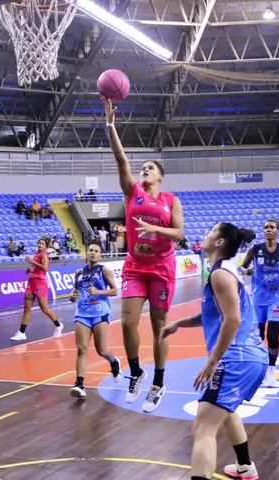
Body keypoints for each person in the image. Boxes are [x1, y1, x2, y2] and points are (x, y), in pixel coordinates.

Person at [160, 222, 265, 480]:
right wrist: (179, 324)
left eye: (210, 232)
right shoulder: (224, 270)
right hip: (250, 356)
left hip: (236, 357)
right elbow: (213, 314)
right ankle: (244, 466)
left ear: (219, 243)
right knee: (224, 410)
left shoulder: (220, 274)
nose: (204, 235)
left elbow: (233, 320)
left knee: (202, 429)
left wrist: (212, 361)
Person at [103, 97, 185, 413]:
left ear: (160, 176)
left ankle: (158, 383)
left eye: (150, 167)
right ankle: (136, 372)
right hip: (135, 266)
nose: (144, 169)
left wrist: (157, 232)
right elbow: (120, 159)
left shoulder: (170, 200)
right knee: (126, 324)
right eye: (143, 168)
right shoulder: (133, 192)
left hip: (162, 267)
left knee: (159, 325)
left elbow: (179, 234)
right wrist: (111, 125)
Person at [239, 219, 279, 386]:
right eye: (265, 228)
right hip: (258, 298)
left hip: (278, 296)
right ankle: (258, 366)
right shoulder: (255, 250)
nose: (268, 230)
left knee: (273, 333)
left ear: (278, 230)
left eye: (272, 227)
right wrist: (247, 270)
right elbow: (242, 267)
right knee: (258, 335)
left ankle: (271, 368)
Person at [69, 242, 123, 398]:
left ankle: (114, 362)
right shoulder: (79, 273)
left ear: (99, 255)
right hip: (82, 313)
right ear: (87, 253)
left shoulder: (103, 270)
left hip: (100, 313)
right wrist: (73, 296)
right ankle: (79, 384)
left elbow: (114, 291)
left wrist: (98, 291)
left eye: (96, 251)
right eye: (91, 250)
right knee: (81, 349)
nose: (93, 253)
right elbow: (76, 290)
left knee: (102, 350)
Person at [10, 238, 63, 341]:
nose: (40, 244)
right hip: (31, 282)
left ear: (45, 246)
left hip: (40, 283)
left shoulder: (44, 255)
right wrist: (30, 269)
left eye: (42, 243)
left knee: (44, 308)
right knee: (26, 308)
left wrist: (32, 261)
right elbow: (36, 268)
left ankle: (58, 325)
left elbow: (45, 268)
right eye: (39, 243)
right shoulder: (36, 255)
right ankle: (21, 332)